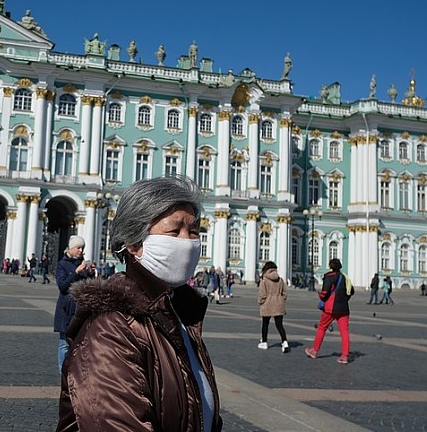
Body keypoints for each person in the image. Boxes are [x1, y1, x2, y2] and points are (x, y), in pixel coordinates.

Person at [58, 176, 222, 431]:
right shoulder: (110, 329)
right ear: (134, 243)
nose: (187, 242)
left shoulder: (177, 312)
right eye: (174, 230)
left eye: (193, 231)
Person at [53, 235, 92, 374]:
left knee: (79, 343)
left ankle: (75, 374)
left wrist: (91, 273)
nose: (81, 250)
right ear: (71, 248)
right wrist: (76, 272)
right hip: (66, 309)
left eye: (82, 248)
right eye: (78, 247)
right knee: (64, 344)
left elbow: (88, 286)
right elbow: (63, 286)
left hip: (80, 309)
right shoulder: (62, 265)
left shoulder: (82, 264)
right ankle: (62, 373)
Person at [306, 258, 354, 364]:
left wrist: (320, 295)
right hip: (343, 308)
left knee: (322, 328)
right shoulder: (345, 277)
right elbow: (351, 291)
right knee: (344, 332)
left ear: (330, 266)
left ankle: (314, 351)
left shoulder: (329, 277)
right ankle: (345, 356)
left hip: (330, 308)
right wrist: (344, 299)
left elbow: (325, 292)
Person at [257, 261, 290, 353]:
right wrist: (281, 299)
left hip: (267, 304)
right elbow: (285, 293)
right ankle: (285, 342)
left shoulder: (264, 280)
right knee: (279, 325)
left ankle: (264, 342)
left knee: (265, 324)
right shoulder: (280, 279)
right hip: (279, 304)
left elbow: (262, 294)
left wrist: (261, 302)